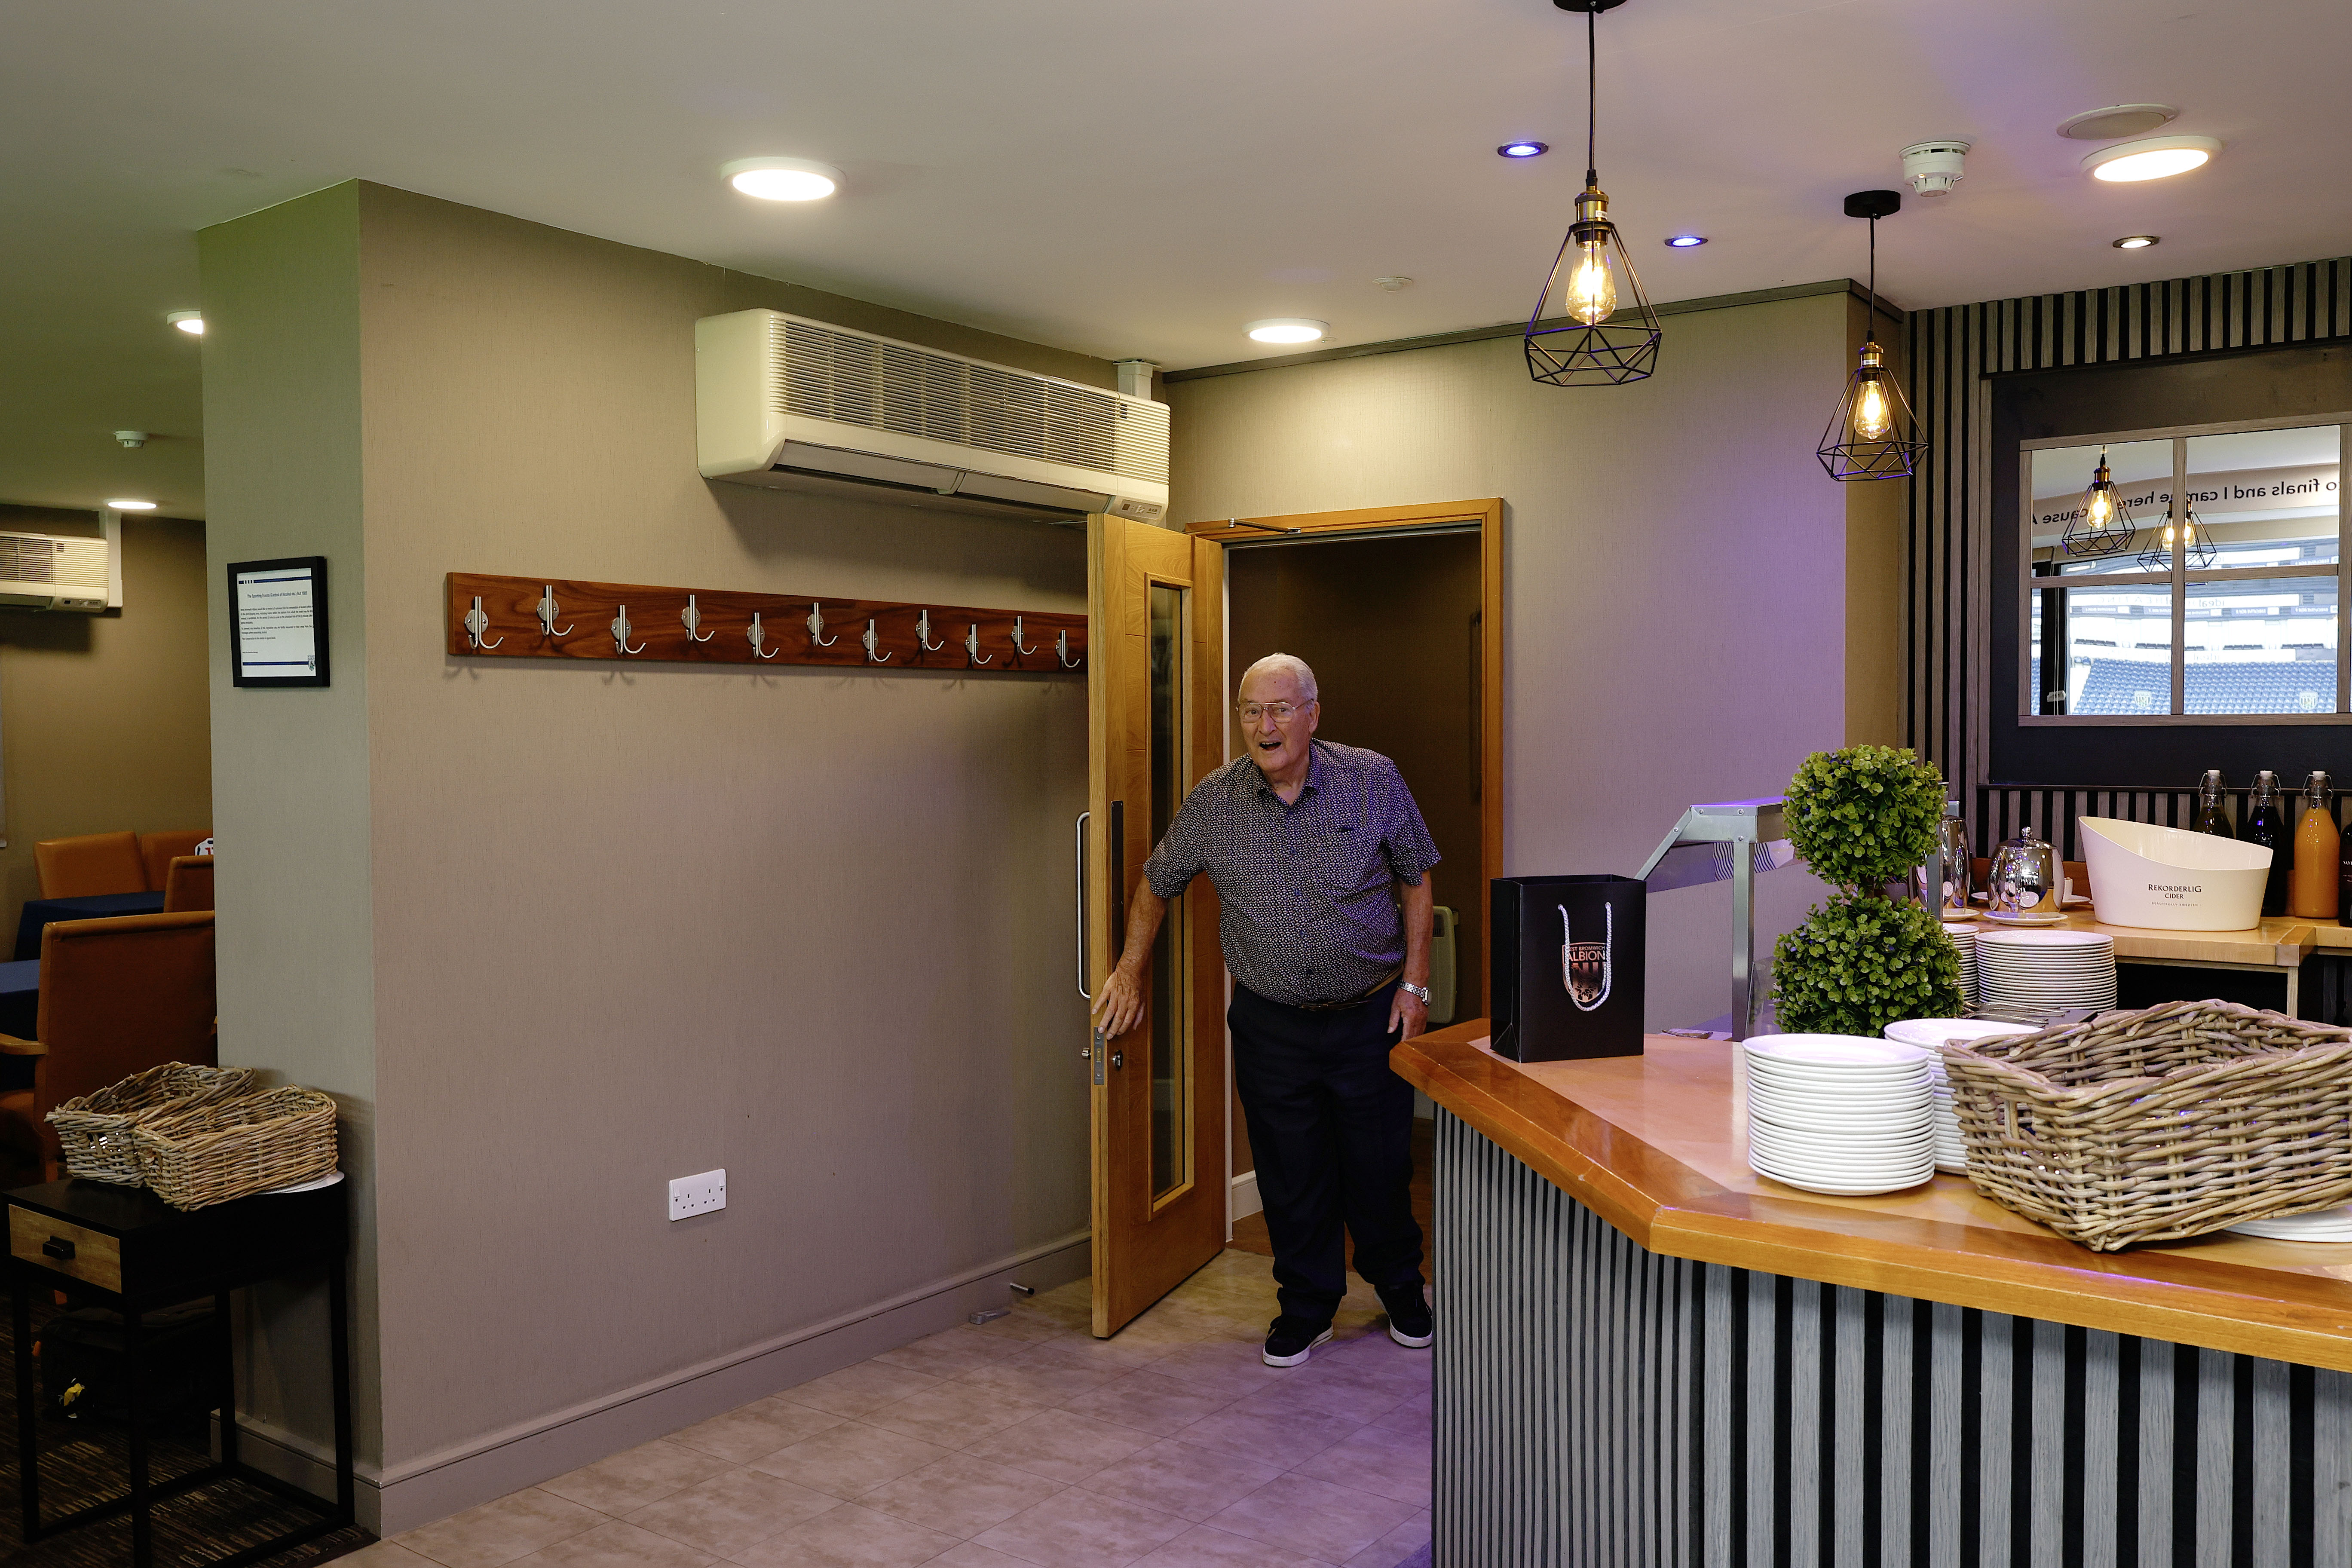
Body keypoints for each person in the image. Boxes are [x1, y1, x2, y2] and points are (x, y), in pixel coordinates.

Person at [1091, 651, 1438, 1366]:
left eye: (1281, 708)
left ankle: (1401, 1287)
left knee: (1377, 1168)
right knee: (1290, 1172)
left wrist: (1416, 984)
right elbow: (1157, 883)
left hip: (1369, 1016)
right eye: (1251, 710)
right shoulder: (1215, 801)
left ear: (1314, 714)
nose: (1265, 725)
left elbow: (1416, 880)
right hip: (1270, 1022)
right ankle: (1307, 1305)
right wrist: (1129, 971)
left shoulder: (1371, 779)